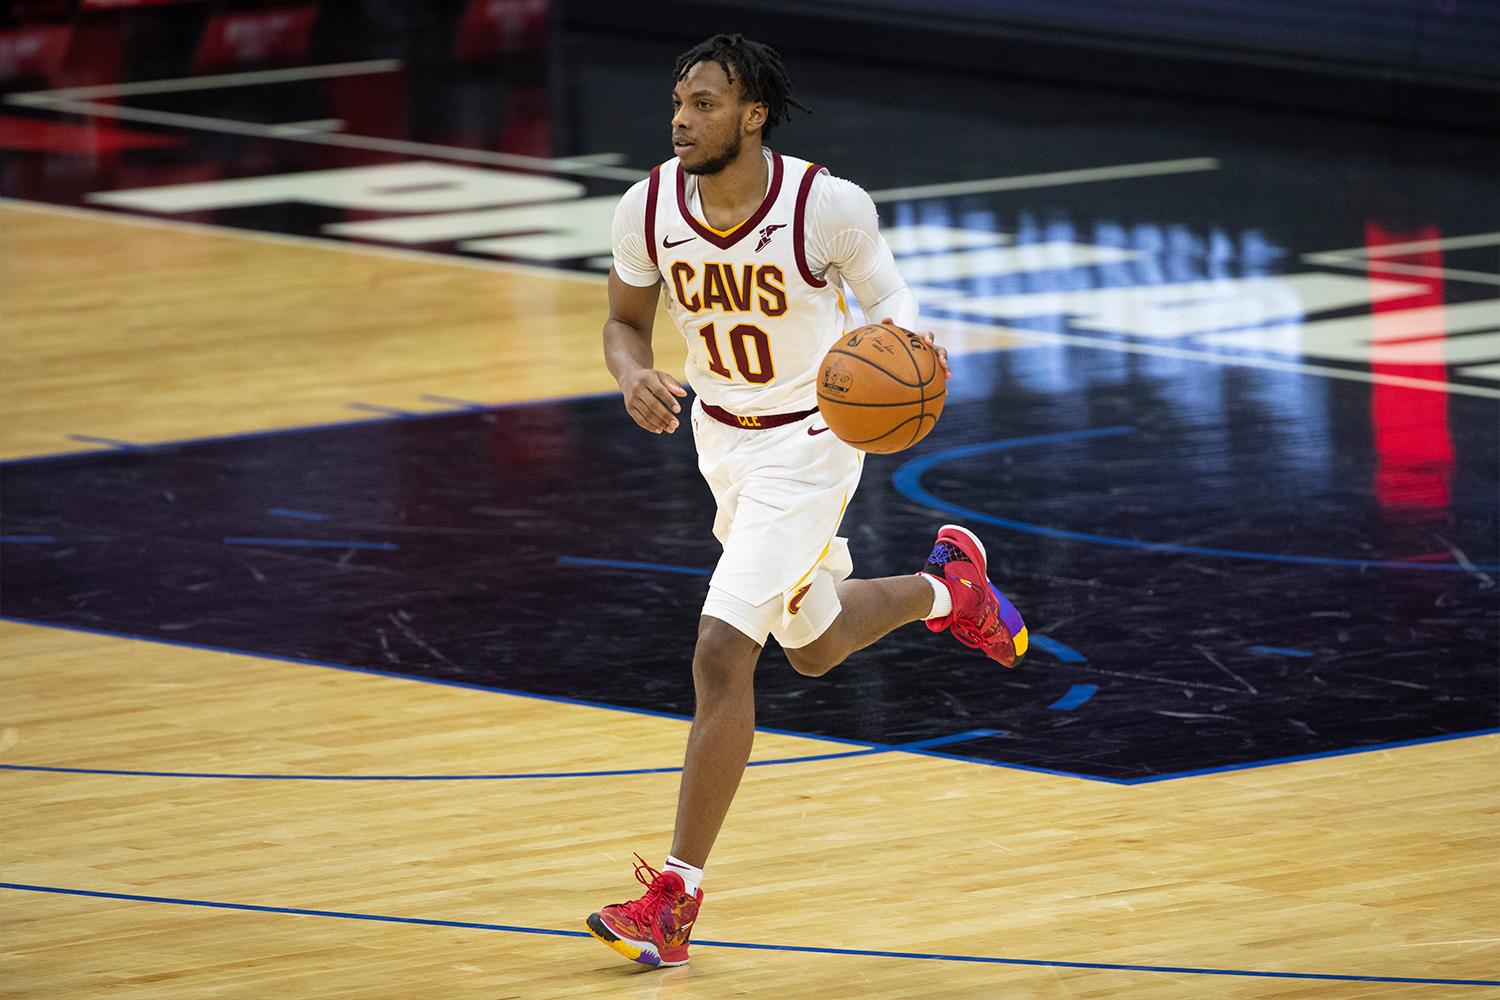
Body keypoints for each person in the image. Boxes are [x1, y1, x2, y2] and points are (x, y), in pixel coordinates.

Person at [586, 33, 1028, 969]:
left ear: (752, 115)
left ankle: (675, 900)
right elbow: (623, 323)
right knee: (818, 645)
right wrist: (632, 375)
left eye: (704, 103)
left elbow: (896, 311)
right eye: (677, 100)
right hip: (722, 445)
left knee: (720, 650)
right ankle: (951, 589)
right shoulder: (649, 206)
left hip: (813, 443)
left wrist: (906, 365)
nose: (680, 117)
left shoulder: (825, 206)